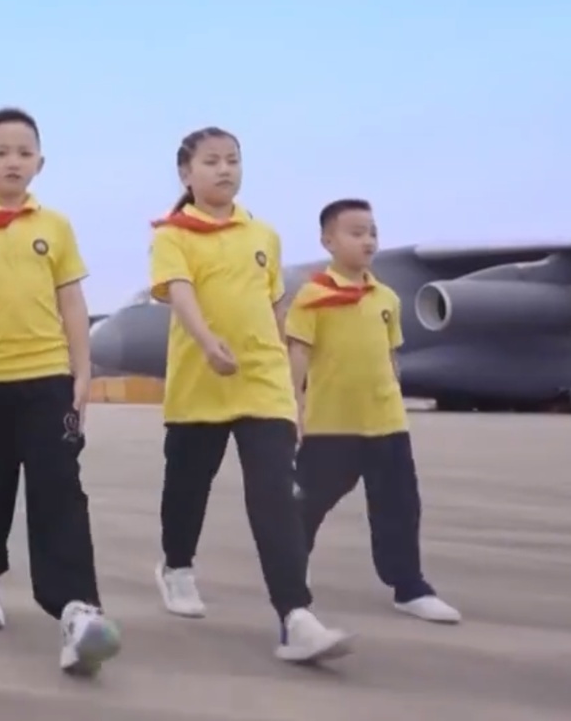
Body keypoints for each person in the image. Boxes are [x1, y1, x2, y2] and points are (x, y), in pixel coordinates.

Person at [0, 107, 122, 676]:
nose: (13, 161)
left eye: (24, 152)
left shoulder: (54, 226)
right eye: (1, 152)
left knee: (60, 488)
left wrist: (82, 372)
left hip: (46, 380)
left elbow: (72, 302)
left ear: (40, 162)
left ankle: (77, 609)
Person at [148, 126, 353, 663]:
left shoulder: (263, 235)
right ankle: (176, 566)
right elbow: (180, 293)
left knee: (274, 494)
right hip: (200, 382)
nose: (225, 170)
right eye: (211, 161)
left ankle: (296, 617)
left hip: (262, 383)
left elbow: (276, 309)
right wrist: (206, 341)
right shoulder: (173, 236)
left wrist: (294, 385)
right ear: (186, 173)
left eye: (233, 160)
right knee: (187, 487)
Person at [285, 198, 460, 624]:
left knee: (400, 506)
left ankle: (409, 586)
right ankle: (289, 572)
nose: (368, 241)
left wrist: (393, 396)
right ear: (328, 241)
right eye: (356, 232)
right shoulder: (312, 297)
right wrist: (293, 407)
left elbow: (390, 356)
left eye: (373, 232)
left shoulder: (386, 298)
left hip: (386, 423)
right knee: (307, 504)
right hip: (331, 425)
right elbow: (298, 355)